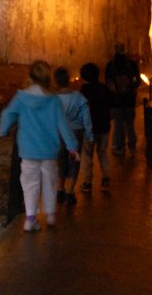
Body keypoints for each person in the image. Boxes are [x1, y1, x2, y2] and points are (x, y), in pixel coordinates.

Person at [0, 60, 79, 231]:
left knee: (29, 183)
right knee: (50, 182)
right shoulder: (54, 101)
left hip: (28, 149)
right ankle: (50, 215)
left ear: (30, 76)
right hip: (49, 150)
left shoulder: (21, 97)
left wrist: (3, 130)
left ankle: (30, 219)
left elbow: (8, 114)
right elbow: (62, 125)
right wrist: (72, 147)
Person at [54, 66, 93, 205]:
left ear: (56, 82)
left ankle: (60, 190)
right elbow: (86, 118)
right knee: (74, 162)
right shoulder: (79, 97)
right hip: (76, 133)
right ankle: (70, 193)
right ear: (69, 80)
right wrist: (89, 135)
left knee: (61, 161)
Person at [79, 62, 112, 192]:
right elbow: (111, 103)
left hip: (89, 128)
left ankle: (87, 181)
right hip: (104, 126)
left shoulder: (84, 90)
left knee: (87, 154)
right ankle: (106, 176)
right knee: (103, 152)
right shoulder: (104, 88)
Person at [105, 42, 140, 156]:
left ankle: (119, 147)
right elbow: (137, 81)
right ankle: (132, 147)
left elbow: (108, 82)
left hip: (116, 100)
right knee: (130, 123)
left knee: (118, 124)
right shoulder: (131, 64)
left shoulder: (111, 65)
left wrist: (114, 93)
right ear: (124, 50)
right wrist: (130, 89)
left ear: (115, 50)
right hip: (129, 99)